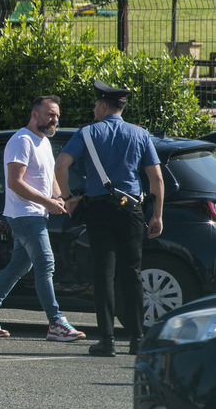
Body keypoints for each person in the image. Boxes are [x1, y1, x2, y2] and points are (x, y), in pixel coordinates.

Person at [55, 79, 164, 357]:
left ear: (103, 106)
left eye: (95, 104)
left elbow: (61, 165)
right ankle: (137, 338)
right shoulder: (140, 134)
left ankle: (106, 340)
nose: (93, 108)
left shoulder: (88, 133)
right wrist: (158, 215)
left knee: (103, 274)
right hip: (132, 210)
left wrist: (68, 198)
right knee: (132, 273)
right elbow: (156, 178)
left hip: (99, 209)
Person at [0, 96, 86, 342]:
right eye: (49, 114)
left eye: (57, 116)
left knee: (20, 266)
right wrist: (47, 203)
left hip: (36, 214)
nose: (54, 120)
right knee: (45, 263)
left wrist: (61, 198)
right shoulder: (22, 140)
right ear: (34, 114)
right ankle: (56, 323)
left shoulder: (43, 142)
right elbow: (15, 183)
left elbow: (49, 176)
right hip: (25, 215)